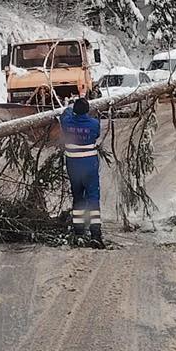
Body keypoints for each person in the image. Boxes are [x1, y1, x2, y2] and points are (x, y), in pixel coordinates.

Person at [59, 97, 104, 248]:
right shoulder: (94, 124)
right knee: (93, 198)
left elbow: (64, 113)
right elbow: (96, 135)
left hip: (74, 167)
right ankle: (96, 234)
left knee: (78, 198)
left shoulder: (67, 122)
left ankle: (79, 232)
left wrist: (70, 107)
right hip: (90, 166)